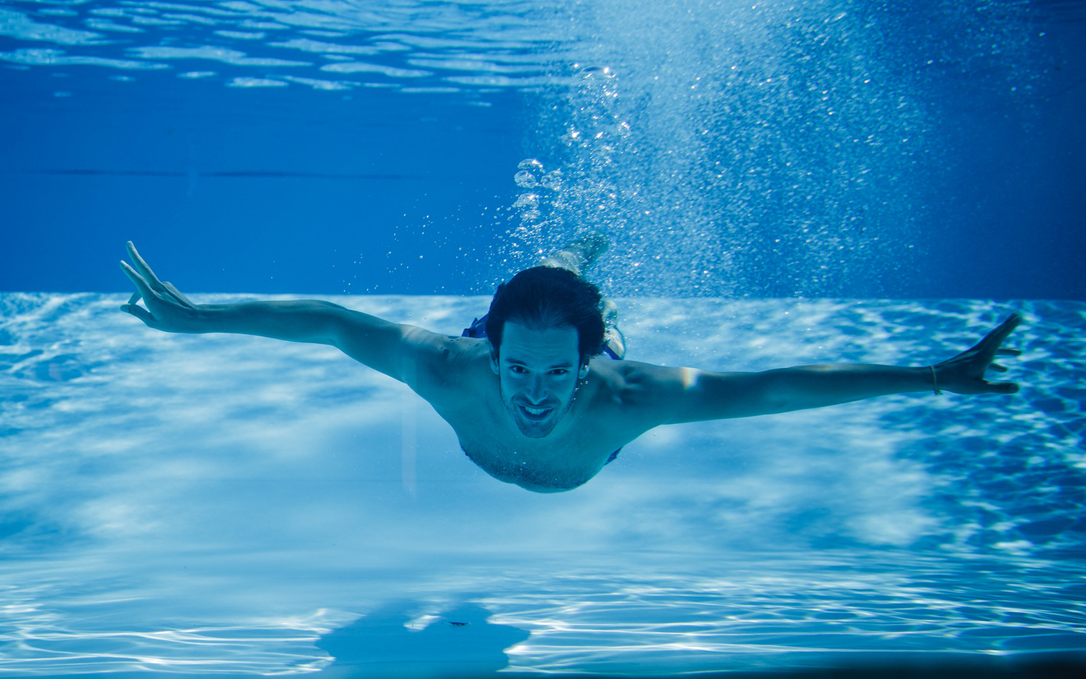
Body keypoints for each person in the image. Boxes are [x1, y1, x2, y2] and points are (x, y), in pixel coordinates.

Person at [119, 238, 1022, 493]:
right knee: (524, 308)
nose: (538, 396)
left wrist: (936, 378)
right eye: (522, 368)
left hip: (602, 364)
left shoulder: (629, 397)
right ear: (492, 352)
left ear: (586, 367)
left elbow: (779, 388)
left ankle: (586, 284)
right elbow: (330, 324)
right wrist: (197, 318)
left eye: (559, 372)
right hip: (494, 329)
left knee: (589, 318)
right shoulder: (449, 365)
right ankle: (556, 272)